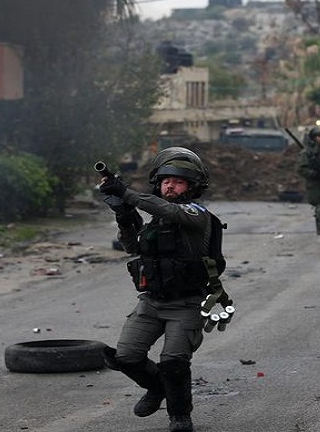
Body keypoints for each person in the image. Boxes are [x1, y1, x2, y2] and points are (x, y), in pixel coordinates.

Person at [97, 147, 227, 432]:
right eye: (166, 181)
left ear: (191, 188)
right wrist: (124, 215)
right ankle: (158, 388)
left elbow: (167, 209)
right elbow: (131, 247)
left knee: (174, 362)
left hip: (187, 304)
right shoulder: (156, 221)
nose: (170, 186)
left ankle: (179, 415)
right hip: (151, 302)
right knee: (125, 357)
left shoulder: (196, 214)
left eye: (178, 182)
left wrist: (126, 192)